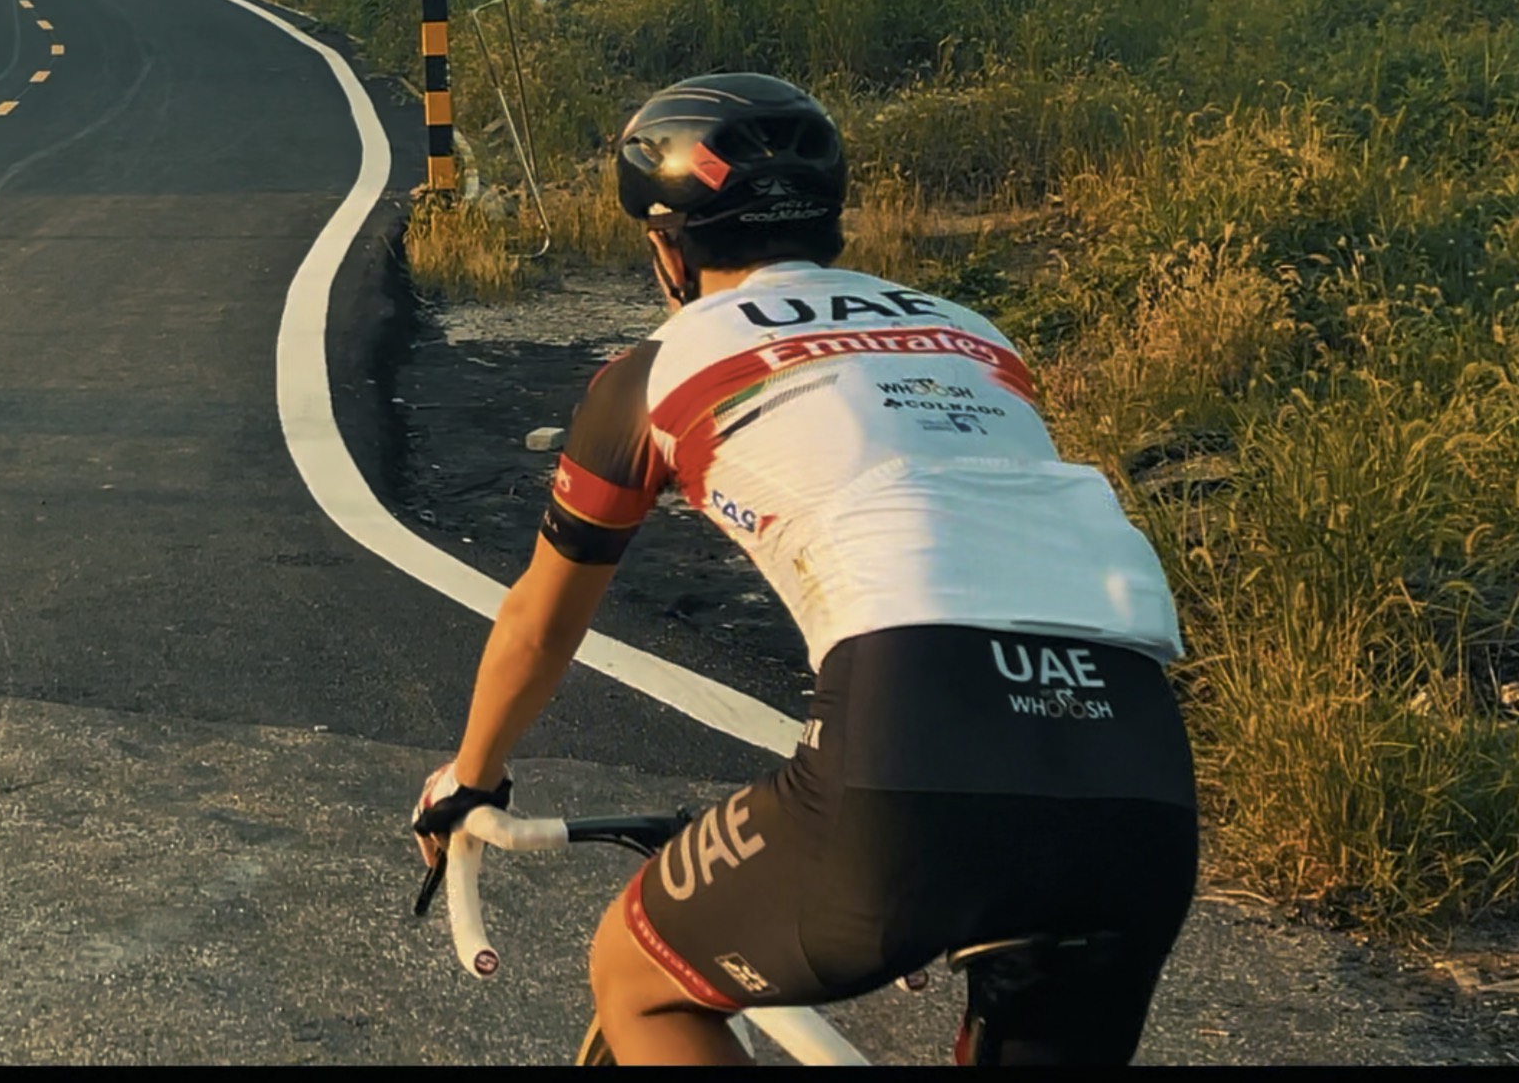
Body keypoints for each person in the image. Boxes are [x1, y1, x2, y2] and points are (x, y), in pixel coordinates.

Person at [411, 73, 1197, 1065]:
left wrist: (467, 781)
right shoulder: (977, 342)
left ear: (669, 244)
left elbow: (542, 620)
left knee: (636, 973)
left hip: (911, 757)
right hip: (1138, 771)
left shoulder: (655, 372)